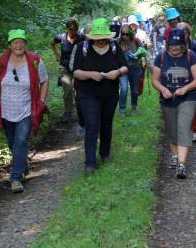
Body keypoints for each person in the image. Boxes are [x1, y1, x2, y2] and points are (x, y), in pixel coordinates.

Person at [0, 29, 49, 193]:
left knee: (20, 141)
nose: (19, 45)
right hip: (6, 110)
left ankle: (15, 178)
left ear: (25, 44)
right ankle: (23, 166)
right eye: (15, 42)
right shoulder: (1, 59)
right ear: (9, 45)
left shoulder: (35, 60)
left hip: (27, 109)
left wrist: (41, 101)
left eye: (21, 41)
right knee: (12, 143)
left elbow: (45, 81)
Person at [73, 18, 128, 175]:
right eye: (97, 39)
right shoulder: (81, 48)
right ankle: (89, 162)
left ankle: (105, 154)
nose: (101, 42)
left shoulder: (115, 47)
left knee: (106, 124)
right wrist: (90, 74)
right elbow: (76, 72)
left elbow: (124, 67)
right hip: (87, 93)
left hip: (110, 93)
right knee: (92, 125)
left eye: (104, 39)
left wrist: (117, 72)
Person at [152, 28, 196, 179]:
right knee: (171, 129)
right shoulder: (160, 57)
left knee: (184, 127)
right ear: (167, 46)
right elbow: (154, 80)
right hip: (167, 99)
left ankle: (181, 165)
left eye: (177, 48)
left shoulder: (190, 56)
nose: (174, 51)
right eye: (171, 48)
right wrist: (163, 89)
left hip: (188, 98)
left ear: (183, 46)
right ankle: (174, 156)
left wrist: (185, 89)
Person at [50, 18, 84, 124]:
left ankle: (81, 112)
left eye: (75, 30)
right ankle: (68, 112)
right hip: (64, 67)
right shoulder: (60, 37)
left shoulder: (82, 37)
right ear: (67, 29)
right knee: (67, 90)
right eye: (70, 29)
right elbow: (52, 43)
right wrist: (57, 54)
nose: (72, 32)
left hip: (78, 68)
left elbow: (90, 45)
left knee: (77, 91)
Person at [118, 23, 147, 115]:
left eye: (127, 34)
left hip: (135, 68)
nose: (125, 36)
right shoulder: (118, 42)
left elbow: (143, 52)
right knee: (124, 88)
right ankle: (122, 110)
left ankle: (134, 107)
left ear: (130, 33)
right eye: (123, 34)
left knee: (134, 90)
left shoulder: (136, 40)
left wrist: (137, 55)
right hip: (123, 69)